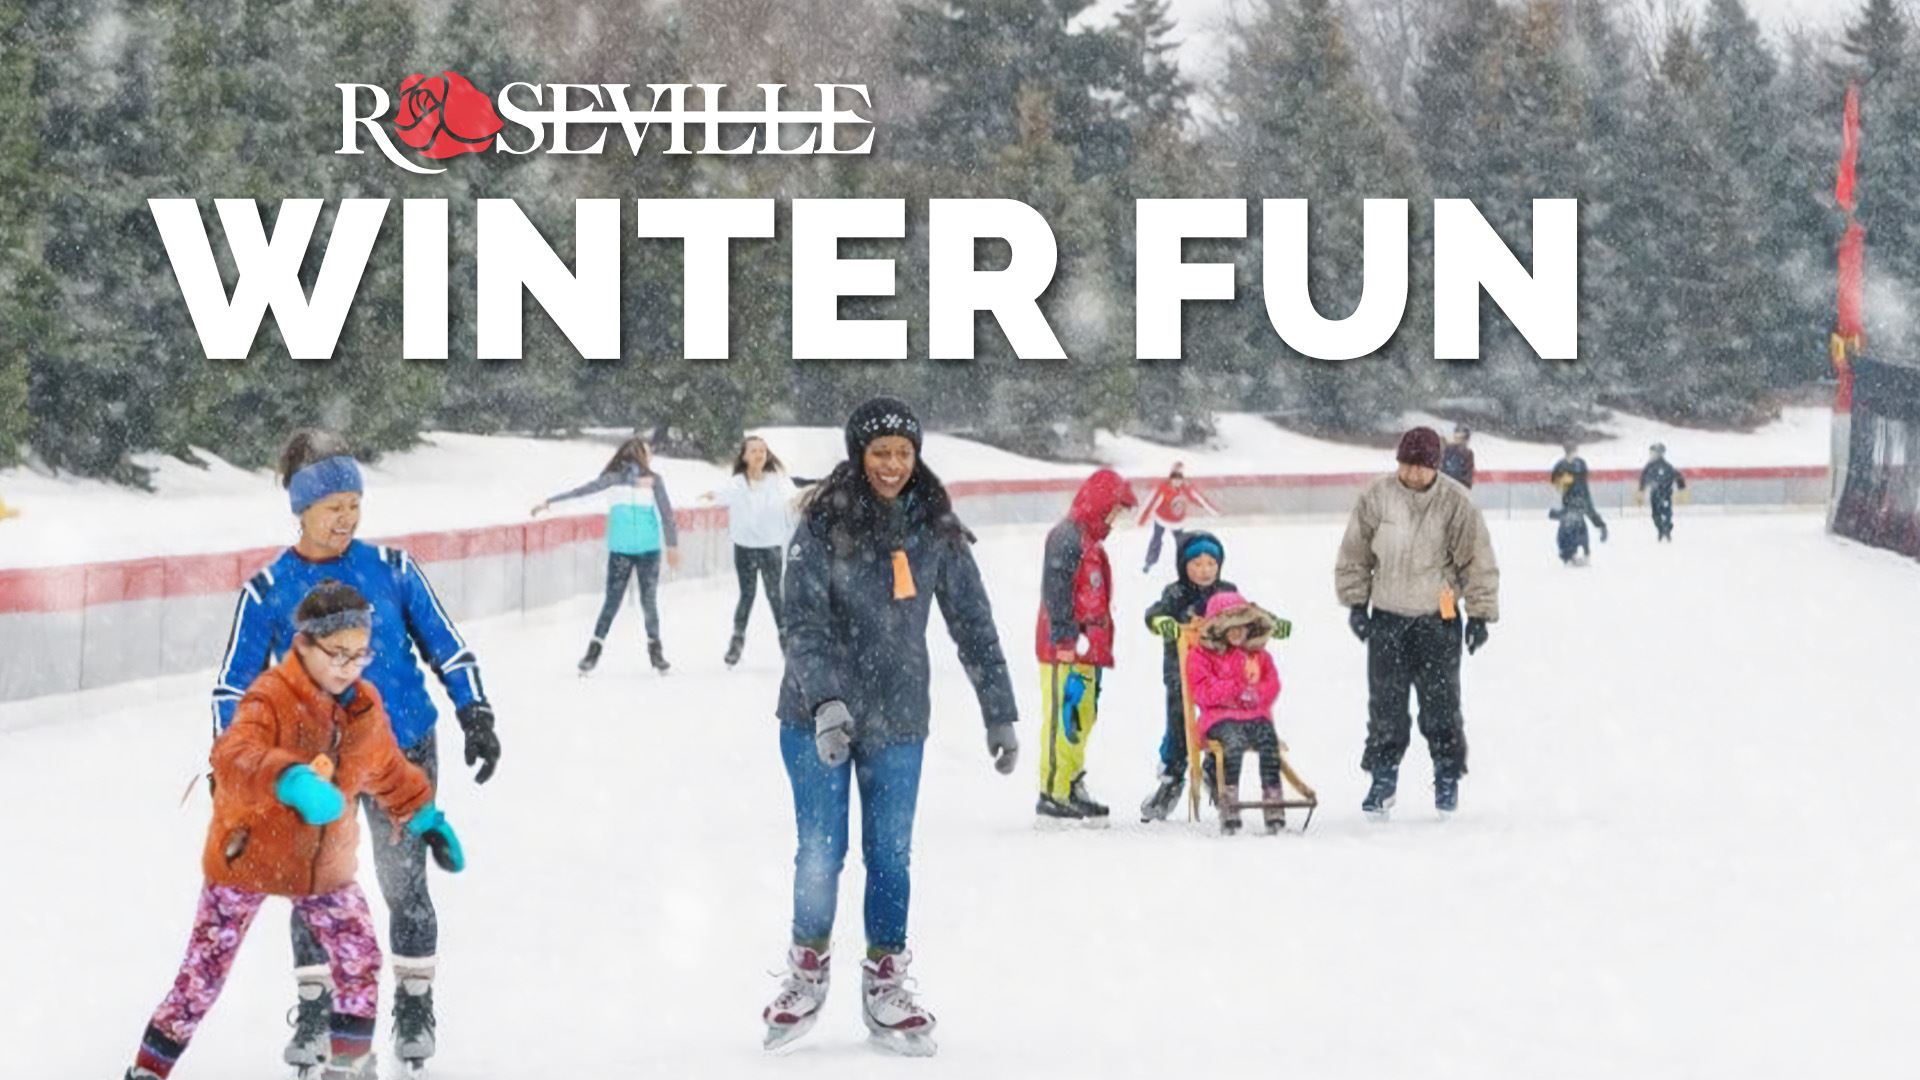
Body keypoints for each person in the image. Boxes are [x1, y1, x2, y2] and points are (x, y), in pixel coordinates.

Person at [212, 430, 499, 1075]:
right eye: (333, 504)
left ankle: (414, 1006)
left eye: (354, 502)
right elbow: (235, 685)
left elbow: (447, 645)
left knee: (404, 885)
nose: (347, 516)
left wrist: (474, 710)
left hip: (402, 750)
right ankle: (316, 1014)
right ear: (301, 508)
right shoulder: (267, 589)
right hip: (314, 769)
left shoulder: (392, 569)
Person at [762, 397, 1019, 1057]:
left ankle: (886, 977)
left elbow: (973, 621)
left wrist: (1000, 710)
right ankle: (807, 966)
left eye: (904, 453)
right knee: (821, 852)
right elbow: (802, 621)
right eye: (881, 454)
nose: (893, 466)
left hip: (899, 717)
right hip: (814, 717)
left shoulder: (934, 524)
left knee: (891, 854)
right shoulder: (823, 524)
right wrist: (825, 700)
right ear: (859, 454)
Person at [134, 582, 464, 1080]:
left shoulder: (363, 707)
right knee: (203, 976)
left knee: (359, 957)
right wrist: (288, 778)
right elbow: (233, 753)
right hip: (246, 854)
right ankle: (147, 1070)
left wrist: (426, 818)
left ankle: (347, 1067)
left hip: (322, 865)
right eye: (337, 652)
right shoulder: (270, 696)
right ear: (304, 644)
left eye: (360, 653)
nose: (349, 665)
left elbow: (386, 770)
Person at [1335, 427, 1499, 819]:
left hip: (1437, 619)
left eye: (1420, 467)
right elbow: (1354, 554)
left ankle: (1446, 775)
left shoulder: (1456, 502)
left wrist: (1478, 614)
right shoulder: (1377, 496)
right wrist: (1357, 604)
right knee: (1386, 706)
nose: (1411, 474)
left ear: (1435, 467)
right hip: (1388, 618)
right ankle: (1383, 777)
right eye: (1405, 465)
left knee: (1440, 705)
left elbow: (1478, 561)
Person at [1035, 468, 1138, 825]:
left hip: (1087, 650)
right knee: (1060, 720)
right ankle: (1051, 792)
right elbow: (1056, 589)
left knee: (1080, 718)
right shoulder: (1067, 537)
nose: (1115, 519)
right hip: (1065, 648)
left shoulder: (1092, 543)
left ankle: (1071, 782)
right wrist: (1064, 637)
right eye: (1114, 510)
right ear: (1100, 504)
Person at [532, 434, 681, 673]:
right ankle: (594, 651)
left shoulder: (653, 481)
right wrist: (551, 502)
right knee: (612, 602)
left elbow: (667, 514)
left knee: (648, 601)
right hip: (621, 551)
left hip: (648, 552)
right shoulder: (613, 481)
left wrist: (672, 545)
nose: (651, 456)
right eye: (647, 451)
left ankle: (656, 652)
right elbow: (581, 494)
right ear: (637, 455)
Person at [1138, 530, 1237, 822]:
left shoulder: (1227, 592)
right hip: (1181, 670)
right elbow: (1154, 613)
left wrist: (1268, 623)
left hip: (1219, 671)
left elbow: (1246, 613)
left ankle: (1215, 771)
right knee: (1180, 721)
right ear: (1184, 566)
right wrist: (1163, 621)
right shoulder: (1176, 593)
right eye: (1197, 563)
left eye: (1210, 563)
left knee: (1222, 719)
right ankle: (1172, 776)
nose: (1204, 570)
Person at [700, 435, 811, 667]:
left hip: (770, 548)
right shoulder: (738, 483)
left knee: (774, 596)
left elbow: (794, 498)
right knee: (747, 596)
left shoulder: (777, 482)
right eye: (754, 451)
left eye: (762, 450)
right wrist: (710, 495)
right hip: (745, 548)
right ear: (744, 456)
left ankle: (786, 643)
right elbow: (722, 493)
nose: (759, 455)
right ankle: (736, 643)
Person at [1185, 591, 1290, 835]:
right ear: (1218, 629)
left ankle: (1273, 798)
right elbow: (1201, 691)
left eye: (1242, 628)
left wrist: (1256, 694)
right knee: (1233, 744)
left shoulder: (1258, 655)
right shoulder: (1201, 656)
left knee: (1269, 743)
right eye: (1231, 628)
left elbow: (1271, 683)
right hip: (1219, 718)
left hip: (1254, 715)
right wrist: (1234, 690)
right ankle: (1228, 799)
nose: (1237, 634)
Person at [1137, 462, 1218, 573]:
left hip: (1177, 522)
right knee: (1156, 540)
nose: (1177, 482)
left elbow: (1198, 499)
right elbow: (1151, 503)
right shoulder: (1163, 489)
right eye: (1174, 479)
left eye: (1179, 479)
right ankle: (1149, 562)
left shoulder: (1186, 489)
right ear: (1170, 478)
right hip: (1162, 519)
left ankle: (1184, 564)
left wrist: (1212, 509)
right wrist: (1142, 519)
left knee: (1181, 543)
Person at [1550, 442, 1607, 565]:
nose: (1573, 455)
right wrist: (1562, 482)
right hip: (1569, 502)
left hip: (1581, 499)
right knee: (1567, 528)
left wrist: (1600, 525)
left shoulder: (1580, 464)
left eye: (1574, 452)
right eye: (1570, 452)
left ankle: (1583, 553)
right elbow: (1555, 483)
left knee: (1579, 528)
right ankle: (1568, 555)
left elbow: (1584, 482)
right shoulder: (1561, 465)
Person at [1638, 442, 1688, 541]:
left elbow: (1678, 476)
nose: (1652, 455)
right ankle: (1663, 529)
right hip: (1659, 494)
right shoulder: (1652, 466)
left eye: (1653, 453)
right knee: (1660, 513)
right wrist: (1641, 490)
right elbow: (1643, 478)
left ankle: (1665, 529)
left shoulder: (1663, 466)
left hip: (1663, 494)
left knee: (1663, 513)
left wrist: (1681, 489)